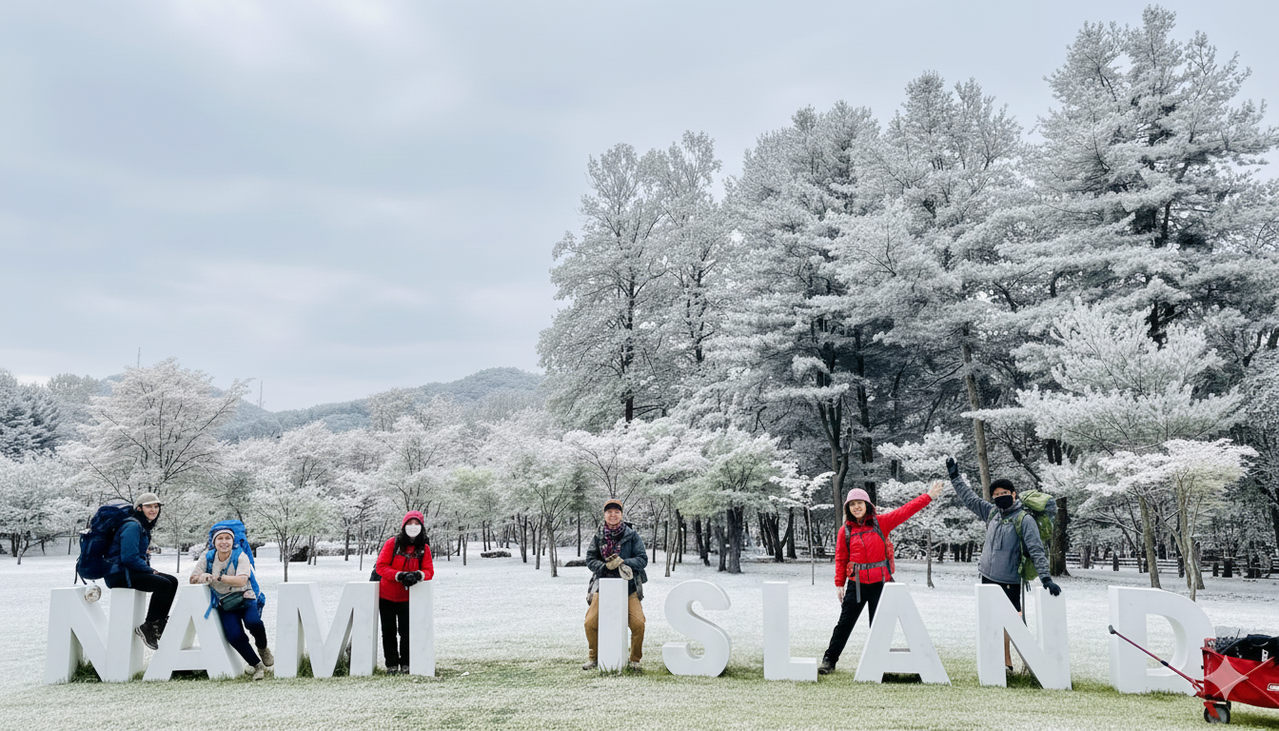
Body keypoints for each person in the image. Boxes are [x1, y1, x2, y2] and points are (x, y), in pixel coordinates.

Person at [946, 457, 1062, 671]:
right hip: (987, 576)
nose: (1000, 498)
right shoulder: (991, 513)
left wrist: (1046, 578)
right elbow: (969, 498)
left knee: (1011, 623)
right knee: (992, 621)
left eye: (1004, 494)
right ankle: (1004, 662)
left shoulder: (1024, 519)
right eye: (996, 495)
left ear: (1014, 494)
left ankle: (1032, 664)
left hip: (1009, 580)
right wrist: (955, 477)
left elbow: (1036, 550)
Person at [818, 482, 944, 675]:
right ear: (848, 509)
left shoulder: (881, 523)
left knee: (878, 627)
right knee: (844, 624)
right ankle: (829, 660)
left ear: (867, 505)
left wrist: (928, 496)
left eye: (860, 503)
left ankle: (879, 663)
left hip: (881, 585)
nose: (856, 507)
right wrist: (839, 584)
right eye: (852, 504)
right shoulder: (845, 531)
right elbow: (841, 558)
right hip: (856, 585)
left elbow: (905, 511)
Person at [190, 526, 273, 680]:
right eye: (220, 538)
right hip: (225, 603)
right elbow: (193, 578)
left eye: (227, 538)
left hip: (245, 597)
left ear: (233, 541)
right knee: (234, 636)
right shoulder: (207, 557)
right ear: (214, 542)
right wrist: (204, 577)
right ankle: (257, 666)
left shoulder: (240, 556)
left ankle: (262, 648)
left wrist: (219, 578)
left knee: (253, 622)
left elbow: (242, 580)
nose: (224, 542)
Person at [102, 492, 178, 651]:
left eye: (156, 506)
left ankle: (159, 623)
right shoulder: (132, 526)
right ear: (139, 508)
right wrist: (151, 570)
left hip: (127, 571)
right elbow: (129, 558)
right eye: (148, 506)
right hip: (119, 574)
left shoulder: (141, 526)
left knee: (172, 581)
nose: (153, 509)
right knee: (163, 584)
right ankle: (148, 626)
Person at [582, 499, 647, 672]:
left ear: (621, 514)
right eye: (609, 512)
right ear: (604, 514)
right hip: (603, 587)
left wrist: (622, 562)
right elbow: (590, 560)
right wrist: (604, 566)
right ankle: (594, 657)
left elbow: (642, 559)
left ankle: (635, 660)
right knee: (590, 623)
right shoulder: (598, 536)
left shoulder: (632, 535)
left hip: (629, 587)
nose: (613, 515)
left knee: (638, 624)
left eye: (616, 512)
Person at [375, 510, 434, 674]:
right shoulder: (391, 544)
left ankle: (406, 663)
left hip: (408, 598)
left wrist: (418, 575)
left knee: (406, 632)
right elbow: (381, 566)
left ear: (421, 527)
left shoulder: (424, 548)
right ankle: (391, 665)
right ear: (404, 525)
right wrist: (398, 575)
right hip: (386, 595)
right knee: (388, 631)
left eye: (417, 524)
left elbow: (429, 570)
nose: (413, 527)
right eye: (410, 523)